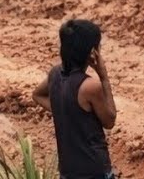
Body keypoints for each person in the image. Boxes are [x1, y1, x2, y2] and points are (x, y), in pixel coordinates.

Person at [32, 19, 117, 179]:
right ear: (93, 52)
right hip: (94, 172)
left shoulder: (55, 74)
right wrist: (104, 77)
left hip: (68, 172)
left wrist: (65, 111)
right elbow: (110, 120)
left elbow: (37, 95)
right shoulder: (90, 86)